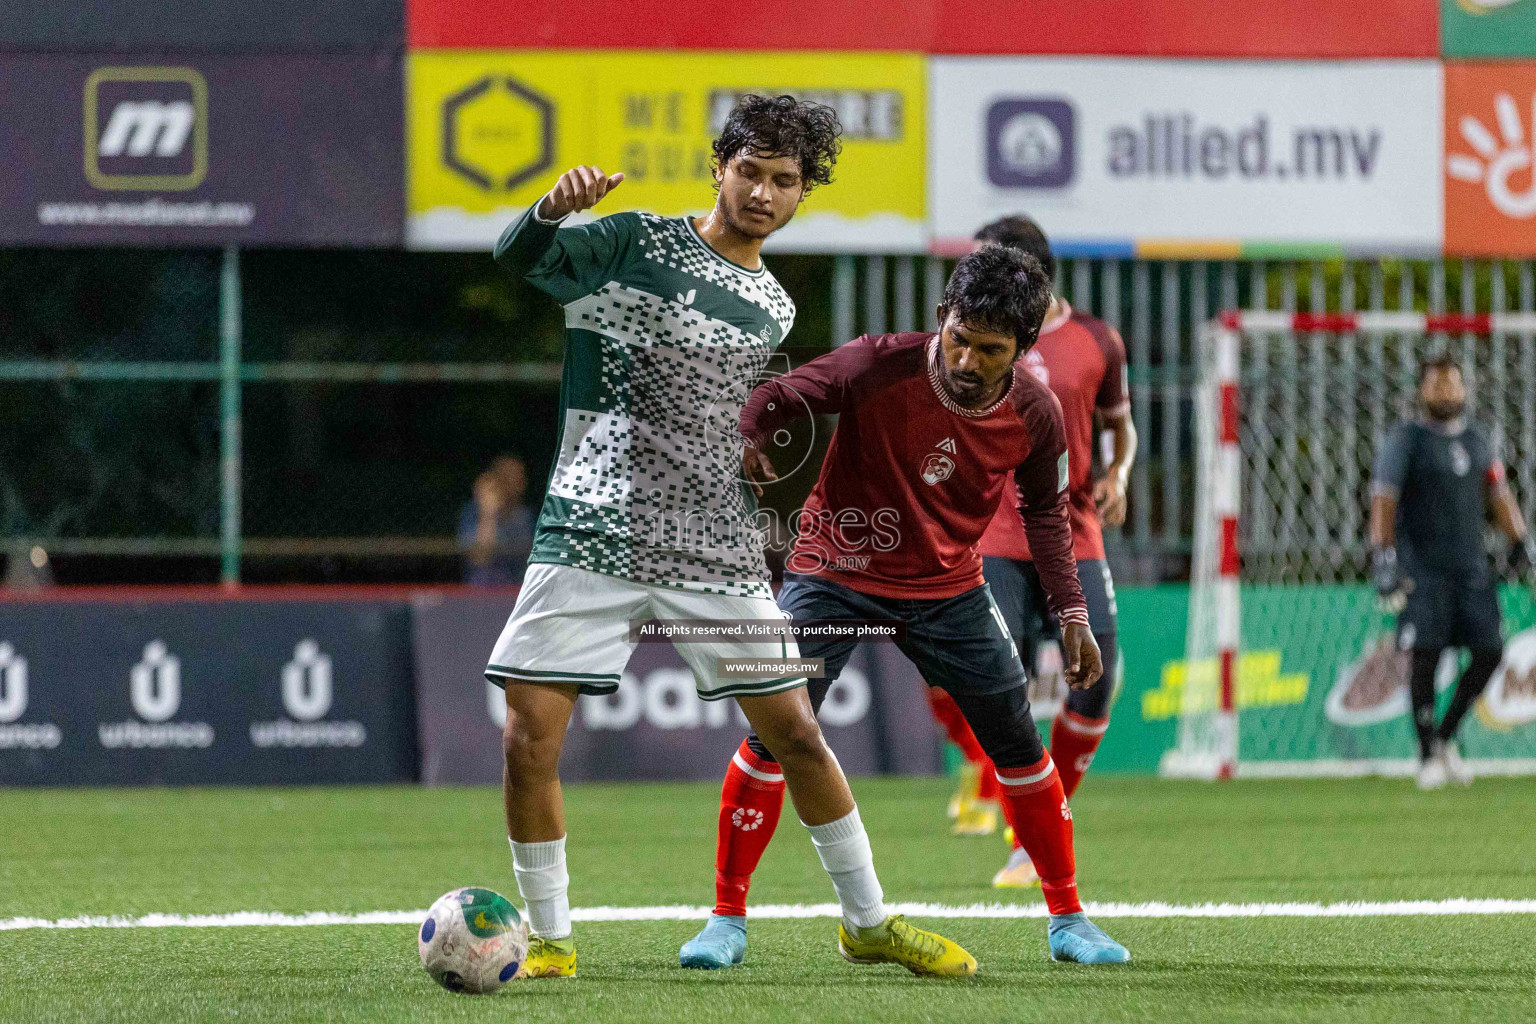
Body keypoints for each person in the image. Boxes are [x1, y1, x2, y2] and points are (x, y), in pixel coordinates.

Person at [486, 94, 973, 980]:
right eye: (748, 171)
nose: (761, 192)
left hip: (709, 540)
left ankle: (867, 922)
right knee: (527, 736)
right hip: (591, 524)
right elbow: (522, 257)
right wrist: (552, 211)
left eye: (783, 181)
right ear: (719, 167)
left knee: (796, 732)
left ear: (800, 195)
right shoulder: (631, 241)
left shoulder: (771, 308)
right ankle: (551, 937)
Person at [679, 244, 1131, 971]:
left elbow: (1047, 515)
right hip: (835, 574)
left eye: (989, 349)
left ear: (1020, 348)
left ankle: (1069, 918)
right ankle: (725, 919)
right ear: (940, 318)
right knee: (774, 733)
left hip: (948, 588)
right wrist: (748, 431)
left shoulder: (1035, 413)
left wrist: (1072, 614)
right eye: (958, 337)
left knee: (1016, 741)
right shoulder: (873, 364)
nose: (967, 359)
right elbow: (780, 393)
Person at [928, 215, 1137, 891]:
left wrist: (1118, 475)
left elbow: (1119, 427)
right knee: (982, 682)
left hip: (1074, 531)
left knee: (1099, 676)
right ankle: (1018, 818)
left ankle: (1044, 820)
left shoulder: (1097, 340)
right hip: (989, 532)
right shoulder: (964, 341)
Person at [1369, 353, 1532, 790]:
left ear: (1465, 389)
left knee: (1491, 651)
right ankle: (1426, 755)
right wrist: (1383, 559)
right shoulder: (1408, 439)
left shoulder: (1479, 441)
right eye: (1437, 384)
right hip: (1422, 570)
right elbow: (1384, 498)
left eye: (1453, 383)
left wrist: (1519, 541)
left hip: (1472, 569)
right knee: (1425, 657)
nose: (1446, 391)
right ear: (1421, 390)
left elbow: (1499, 494)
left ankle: (1445, 738)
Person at [458, 455, 535, 585]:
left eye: (520, 478)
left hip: (517, 588)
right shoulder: (473, 513)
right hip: (481, 591)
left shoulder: (526, 516)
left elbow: (531, 561)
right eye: (510, 477)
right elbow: (480, 559)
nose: (520, 484)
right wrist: (488, 513)